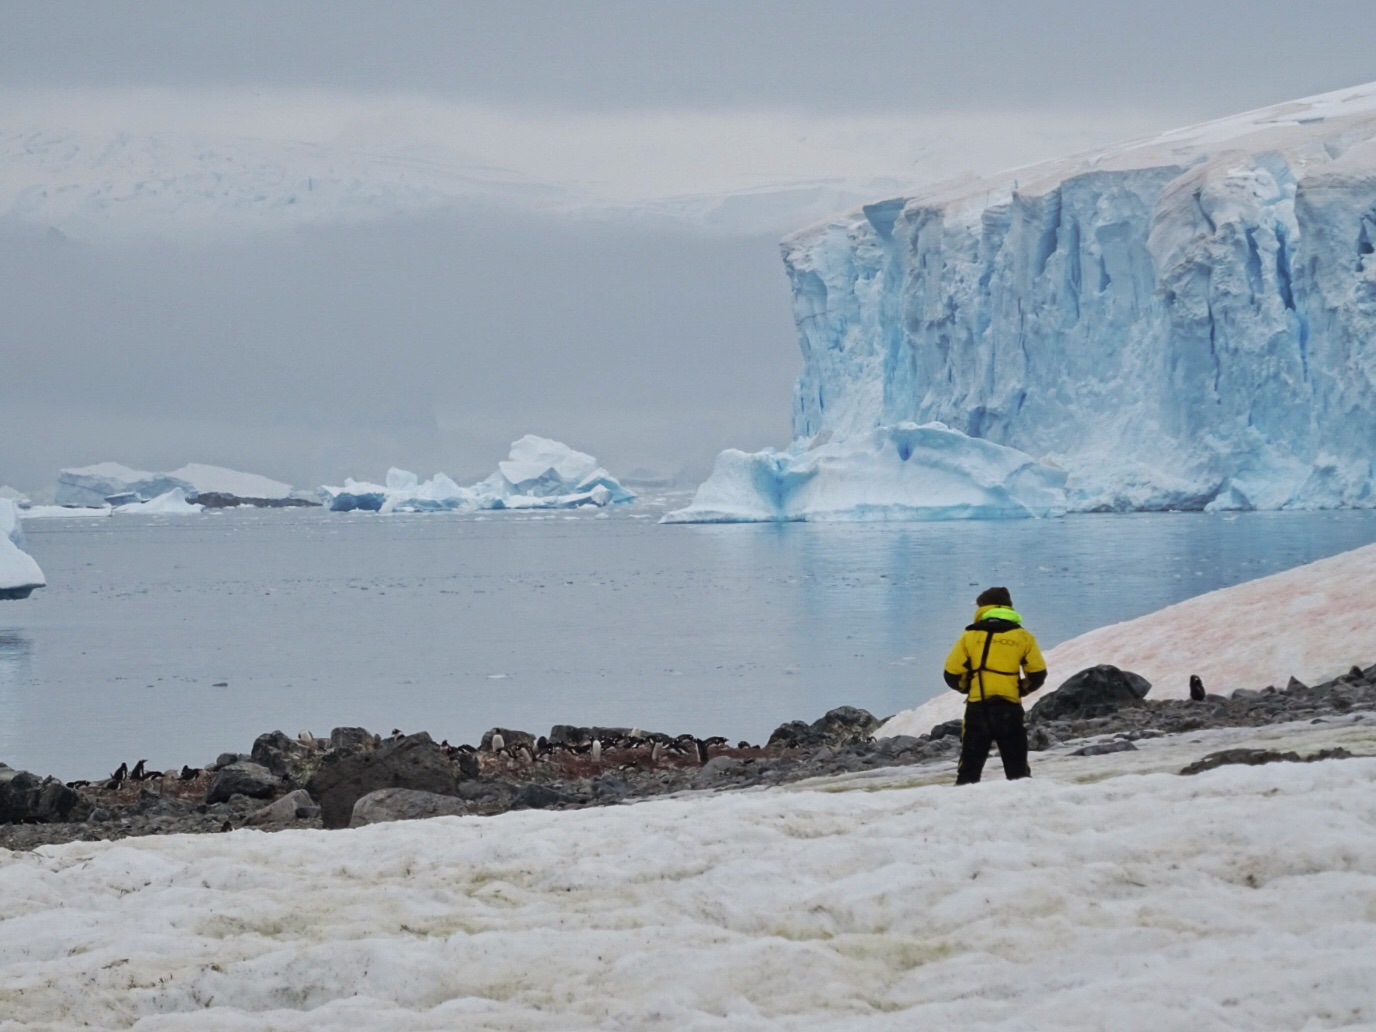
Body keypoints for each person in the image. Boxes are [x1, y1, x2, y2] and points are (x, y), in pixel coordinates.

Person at [943, 586, 1047, 784]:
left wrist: (967, 687)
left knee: (969, 770)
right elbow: (1037, 674)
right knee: (1018, 769)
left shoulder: (970, 635)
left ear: (983, 608)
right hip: (1009, 707)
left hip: (978, 708)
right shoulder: (1023, 636)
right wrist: (1021, 688)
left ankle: (963, 808)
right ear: (1009, 607)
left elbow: (951, 674)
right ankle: (1025, 808)